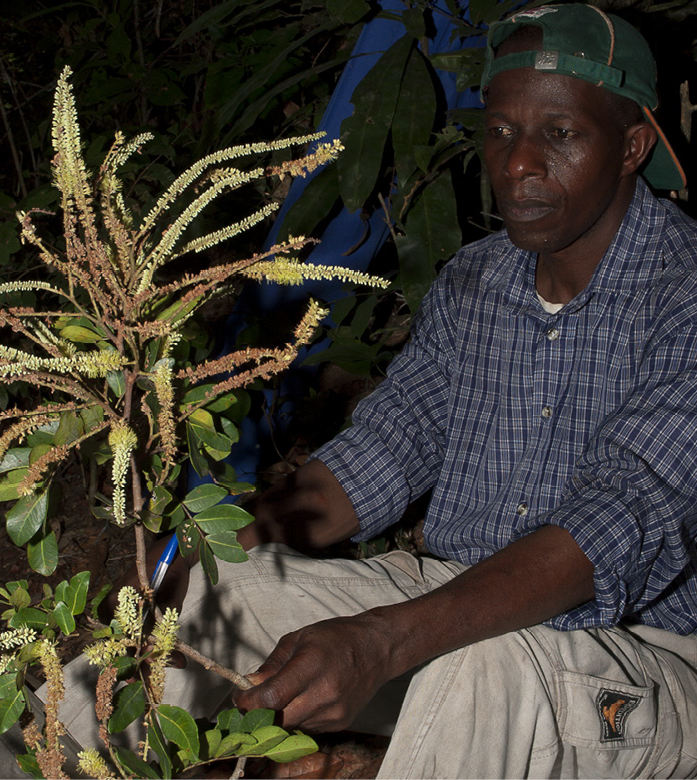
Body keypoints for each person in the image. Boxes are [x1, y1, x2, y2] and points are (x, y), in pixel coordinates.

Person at [151, 4, 697, 778]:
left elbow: (618, 516)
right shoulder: (474, 284)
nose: (516, 164)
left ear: (631, 146)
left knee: (477, 669)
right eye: (500, 131)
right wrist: (202, 551)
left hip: (641, 658)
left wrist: (384, 637)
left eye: (560, 134)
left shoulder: (684, 295)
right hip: (452, 607)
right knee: (204, 600)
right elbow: (380, 452)